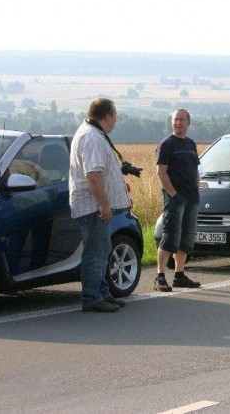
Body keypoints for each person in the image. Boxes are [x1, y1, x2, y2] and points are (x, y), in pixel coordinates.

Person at [69, 98, 130, 312]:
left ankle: (102, 293)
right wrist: (104, 205)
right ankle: (92, 297)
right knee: (96, 253)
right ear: (106, 116)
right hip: (93, 207)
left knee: (102, 250)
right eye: (114, 116)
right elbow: (93, 175)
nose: (115, 121)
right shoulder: (92, 137)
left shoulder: (92, 133)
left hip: (94, 206)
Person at [154, 108, 201, 292]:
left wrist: (197, 187)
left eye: (182, 120)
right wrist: (173, 194)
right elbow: (161, 172)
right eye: (175, 120)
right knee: (170, 236)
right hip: (175, 198)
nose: (178, 123)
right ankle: (160, 277)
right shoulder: (167, 144)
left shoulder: (190, 144)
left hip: (191, 197)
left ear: (189, 122)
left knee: (186, 238)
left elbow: (195, 169)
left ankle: (179, 275)